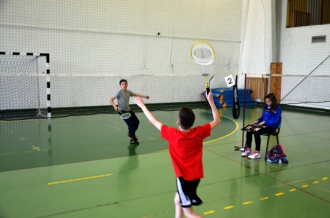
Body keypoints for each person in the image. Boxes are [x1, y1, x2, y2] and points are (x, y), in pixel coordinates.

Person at [134, 91, 220, 218]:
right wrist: (211, 102)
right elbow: (217, 120)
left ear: (178, 123)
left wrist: (142, 106)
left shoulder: (172, 134)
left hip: (184, 179)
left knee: (189, 213)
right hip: (195, 176)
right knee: (177, 200)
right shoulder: (199, 132)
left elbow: (153, 121)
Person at [241, 93, 282, 159]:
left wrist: (265, 122)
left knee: (256, 131)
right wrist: (258, 120)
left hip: (271, 127)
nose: (267, 103)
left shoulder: (278, 109)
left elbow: (276, 120)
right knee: (249, 129)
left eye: (269, 101)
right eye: (266, 101)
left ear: (273, 101)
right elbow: (263, 117)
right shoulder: (266, 107)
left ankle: (257, 152)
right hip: (264, 126)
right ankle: (248, 149)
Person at [110, 79, 149, 145]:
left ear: (127, 85)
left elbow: (135, 94)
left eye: (125, 84)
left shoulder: (128, 92)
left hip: (129, 110)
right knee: (131, 125)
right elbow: (111, 99)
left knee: (137, 122)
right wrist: (114, 106)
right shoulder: (118, 93)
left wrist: (145, 96)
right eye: (122, 84)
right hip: (122, 112)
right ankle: (133, 138)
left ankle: (131, 133)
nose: (124, 85)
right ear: (120, 86)